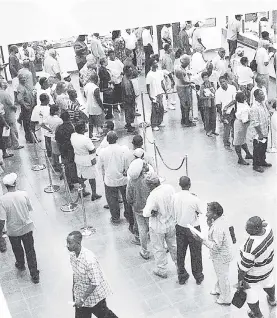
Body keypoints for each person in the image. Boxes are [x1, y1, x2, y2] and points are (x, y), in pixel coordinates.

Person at [67, 231, 118, 318]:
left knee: (104, 315)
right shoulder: (72, 255)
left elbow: (95, 282)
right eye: (67, 242)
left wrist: (82, 298)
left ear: (78, 243)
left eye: (70, 243)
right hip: (81, 295)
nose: (67, 245)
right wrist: (75, 292)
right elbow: (75, 274)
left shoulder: (89, 259)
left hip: (95, 297)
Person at [0, 173, 39, 284]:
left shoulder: (2, 200)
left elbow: (2, 219)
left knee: (17, 249)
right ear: (15, 183)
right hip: (26, 227)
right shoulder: (24, 194)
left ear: (5, 186)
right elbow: (30, 208)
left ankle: (20, 264)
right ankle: (34, 274)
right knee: (30, 251)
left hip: (13, 230)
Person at [237, 217, 276, 318]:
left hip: (253, 275)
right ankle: (272, 299)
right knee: (268, 282)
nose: (246, 229)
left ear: (257, 229)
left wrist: (241, 282)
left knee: (251, 294)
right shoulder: (269, 229)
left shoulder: (250, 247)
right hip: (268, 267)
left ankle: (258, 315)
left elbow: (243, 269)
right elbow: (265, 221)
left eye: (249, 228)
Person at [195, 202, 233, 305]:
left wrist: (202, 240)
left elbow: (216, 246)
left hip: (221, 256)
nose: (206, 214)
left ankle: (226, 298)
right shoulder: (220, 220)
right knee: (220, 274)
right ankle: (218, 289)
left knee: (222, 276)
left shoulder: (218, 227)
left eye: (208, 211)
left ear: (215, 214)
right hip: (223, 254)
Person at [143, 174, 177, 279]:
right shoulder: (169, 188)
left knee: (158, 248)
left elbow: (146, 213)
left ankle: (161, 269)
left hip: (157, 226)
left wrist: (151, 212)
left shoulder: (153, 195)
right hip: (171, 223)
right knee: (173, 245)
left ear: (152, 185)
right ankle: (179, 265)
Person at [97, 131, 133, 228]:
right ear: (117, 139)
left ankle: (115, 217)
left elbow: (99, 166)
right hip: (123, 178)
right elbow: (127, 162)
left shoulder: (103, 152)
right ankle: (129, 215)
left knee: (112, 200)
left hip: (110, 180)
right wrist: (125, 170)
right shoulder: (124, 149)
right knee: (126, 198)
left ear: (107, 140)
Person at [173, 176, 204, 285]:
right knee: (195, 253)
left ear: (179, 184)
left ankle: (182, 275)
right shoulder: (194, 199)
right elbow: (200, 211)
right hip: (193, 228)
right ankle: (198, 276)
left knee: (180, 252)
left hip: (180, 226)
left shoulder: (175, 197)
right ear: (189, 185)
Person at [71, 121, 101, 201]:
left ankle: (82, 191)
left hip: (78, 158)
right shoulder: (85, 139)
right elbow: (92, 149)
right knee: (92, 177)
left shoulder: (73, 136)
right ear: (82, 130)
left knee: (80, 176)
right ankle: (94, 194)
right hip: (87, 160)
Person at [126, 159, 151, 251]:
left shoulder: (131, 182)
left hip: (137, 209)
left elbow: (128, 197)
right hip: (149, 209)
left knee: (141, 229)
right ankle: (161, 247)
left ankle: (144, 250)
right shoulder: (148, 179)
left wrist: (133, 204)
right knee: (152, 228)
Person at [55, 111, 78, 191]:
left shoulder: (58, 127)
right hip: (71, 149)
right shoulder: (72, 127)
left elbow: (57, 139)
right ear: (69, 118)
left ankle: (68, 182)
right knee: (72, 165)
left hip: (62, 149)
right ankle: (74, 180)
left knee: (65, 165)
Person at [250, 89, 271, 173]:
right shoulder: (255, 107)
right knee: (257, 148)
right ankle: (256, 165)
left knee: (263, 147)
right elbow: (255, 122)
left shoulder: (263, 104)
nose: (264, 95)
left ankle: (262, 161)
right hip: (258, 133)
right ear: (256, 96)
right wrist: (260, 133)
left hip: (265, 130)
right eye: (261, 94)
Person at [0, 79, 23, 150]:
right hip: (9, 113)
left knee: (6, 129)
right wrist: (15, 108)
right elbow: (11, 104)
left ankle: (8, 144)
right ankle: (15, 144)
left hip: (3, 115)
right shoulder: (5, 94)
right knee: (13, 129)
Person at [215, 76, 237, 150]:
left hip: (233, 110)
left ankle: (235, 141)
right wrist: (221, 115)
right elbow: (218, 104)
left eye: (224, 81)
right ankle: (226, 144)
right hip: (225, 113)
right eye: (221, 82)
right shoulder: (218, 92)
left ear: (227, 81)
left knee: (234, 127)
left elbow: (235, 100)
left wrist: (227, 106)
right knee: (227, 128)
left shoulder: (232, 88)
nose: (223, 83)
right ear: (219, 83)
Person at [146, 58, 167, 131]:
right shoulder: (149, 75)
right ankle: (154, 124)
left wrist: (165, 92)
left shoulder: (159, 73)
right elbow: (148, 87)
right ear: (152, 65)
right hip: (153, 94)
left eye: (156, 63)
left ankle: (160, 121)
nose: (156, 64)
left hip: (160, 93)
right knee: (155, 110)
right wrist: (150, 96)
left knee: (161, 108)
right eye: (154, 63)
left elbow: (162, 83)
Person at [175, 54, 195, 127]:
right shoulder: (179, 70)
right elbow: (183, 81)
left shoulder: (181, 68)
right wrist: (191, 82)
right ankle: (186, 121)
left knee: (184, 105)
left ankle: (185, 119)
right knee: (186, 105)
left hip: (184, 88)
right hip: (182, 88)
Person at [233, 91, 253, 165]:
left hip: (241, 124)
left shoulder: (243, 103)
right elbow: (245, 120)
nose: (245, 97)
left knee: (243, 140)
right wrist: (251, 120)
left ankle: (248, 154)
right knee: (238, 141)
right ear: (240, 98)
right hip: (240, 124)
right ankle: (240, 158)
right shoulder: (242, 107)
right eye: (243, 96)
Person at [84, 73, 105, 141]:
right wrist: (102, 107)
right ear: (96, 79)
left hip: (88, 106)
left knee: (91, 122)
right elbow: (98, 99)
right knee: (99, 122)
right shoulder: (96, 88)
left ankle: (90, 135)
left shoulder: (86, 85)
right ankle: (99, 133)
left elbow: (84, 95)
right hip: (96, 108)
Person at [17, 73, 36, 143]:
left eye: (25, 78)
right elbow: (20, 99)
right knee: (28, 124)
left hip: (29, 107)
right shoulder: (21, 88)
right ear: (19, 79)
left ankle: (30, 137)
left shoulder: (25, 86)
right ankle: (30, 138)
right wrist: (25, 106)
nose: (24, 80)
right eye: (22, 78)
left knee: (28, 123)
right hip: (26, 109)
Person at [199, 71, 217, 136]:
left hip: (213, 102)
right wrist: (207, 97)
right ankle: (208, 131)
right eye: (204, 78)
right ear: (202, 79)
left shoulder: (212, 84)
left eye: (207, 77)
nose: (206, 79)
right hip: (206, 104)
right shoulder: (202, 86)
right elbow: (201, 97)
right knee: (207, 118)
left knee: (214, 117)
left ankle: (213, 130)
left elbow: (216, 93)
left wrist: (213, 92)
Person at [121, 65, 136, 133]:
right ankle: (129, 126)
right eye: (130, 71)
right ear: (126, 72)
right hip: (128, 100)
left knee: (128, 112)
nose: (132, 72)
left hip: (126, 99)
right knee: (129, 112)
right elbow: (128, 93)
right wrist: (132, 100)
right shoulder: (126, 81)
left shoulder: (126, 78)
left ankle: (128, 124)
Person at [161, 44, 176, 110]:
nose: (171, 49)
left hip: (171, 73)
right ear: (167, 49)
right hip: (168, 75)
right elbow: (164, 67)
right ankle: (168, 104)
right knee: (169, 89)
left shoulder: (168, 56)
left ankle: (171, 100)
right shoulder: (164, 57)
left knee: (171, 88)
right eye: (170, 48)